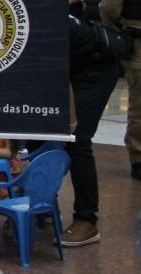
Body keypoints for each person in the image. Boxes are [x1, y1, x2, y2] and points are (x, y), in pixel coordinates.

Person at [61, 15, 121, 246]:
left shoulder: (48, 24)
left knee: (77, 140)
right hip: (74, 65)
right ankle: (41, 206)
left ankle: (86, 220)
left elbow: (59, 79)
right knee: (39, 135)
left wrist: (70, 124)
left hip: (96, 70)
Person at [100, 0, 141, 181]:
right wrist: (118, 31)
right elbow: (109, 6)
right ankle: (138, 157)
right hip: (137, 41)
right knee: (138, 104)